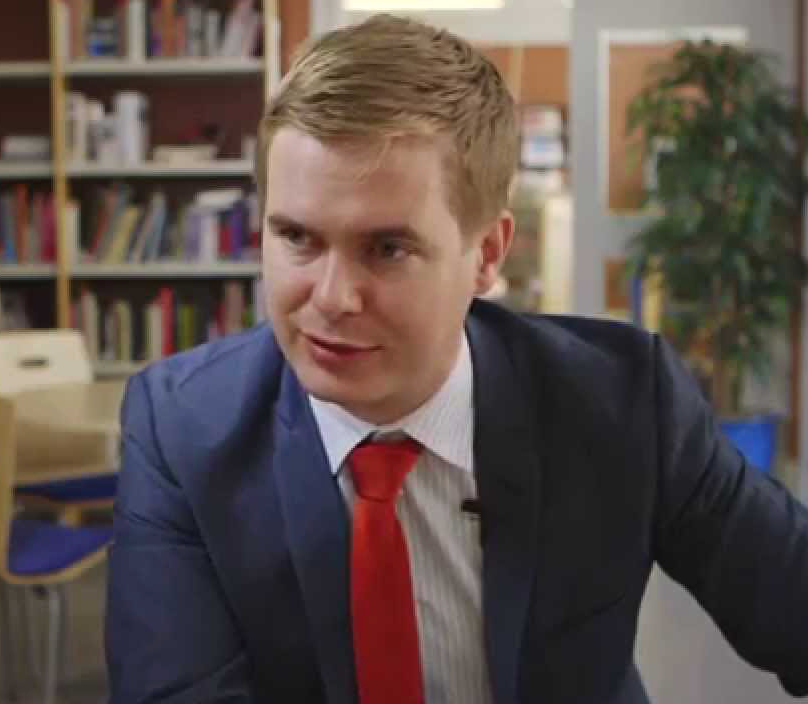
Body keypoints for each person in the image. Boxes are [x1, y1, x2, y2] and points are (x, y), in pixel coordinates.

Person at [105, 13, 808, 704]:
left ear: (488, 255)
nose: (332, 298)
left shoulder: (621, 400)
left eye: (388, 248)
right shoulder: (183, 427)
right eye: (297, 237)